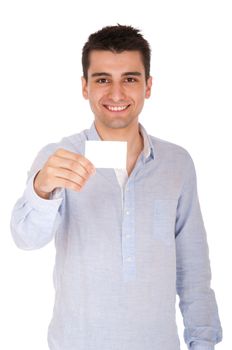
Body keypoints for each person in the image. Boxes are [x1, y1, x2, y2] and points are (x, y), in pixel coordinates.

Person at [10, 24, 222, 350]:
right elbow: (25, 238)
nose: (117, 94)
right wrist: (42, 188)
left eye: (130, 79)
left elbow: (193, 270)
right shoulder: (58, 157)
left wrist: (203, 342)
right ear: (85, 87)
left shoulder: (177, 163)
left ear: (148, 86)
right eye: (103, 79)